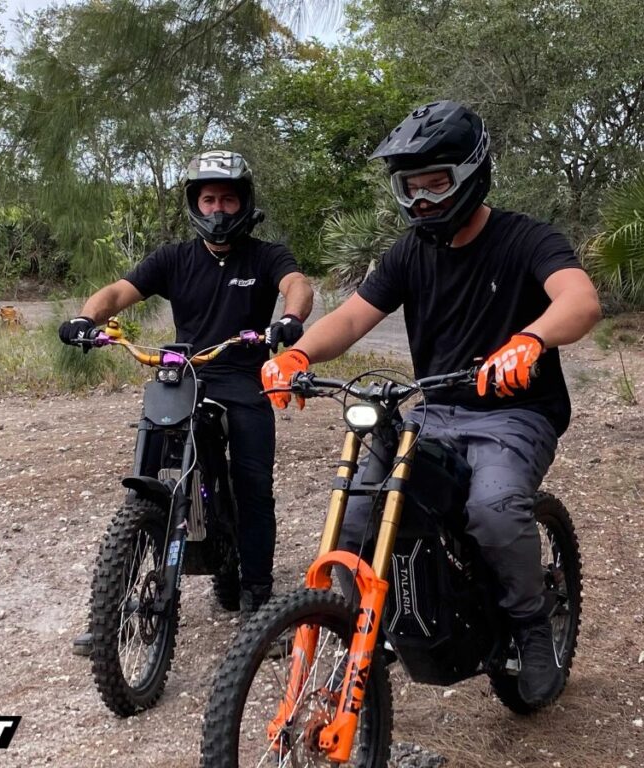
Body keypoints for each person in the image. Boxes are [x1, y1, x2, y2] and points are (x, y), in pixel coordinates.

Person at [260, 101, 601, 707]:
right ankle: (359, 630)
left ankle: (531, 625)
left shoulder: (527, 238)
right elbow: (353, 316)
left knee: (493, 511)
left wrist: (532, 338)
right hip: (433, 411)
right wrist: (298, 358)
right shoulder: (409, 251)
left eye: (434, 184)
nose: (420, 201)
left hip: (513, 415)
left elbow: (579, 300)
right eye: (409, 188)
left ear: (471, 172)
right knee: (358, 515)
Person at [61, 149, 313, 654]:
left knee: (252, 486)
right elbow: (117, 292)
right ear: (195, 203)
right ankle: (113, 609)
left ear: (243, 203)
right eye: (209, 199)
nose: (218, 209)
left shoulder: (266, 256)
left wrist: (290, 320)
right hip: (184, 376)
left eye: (227, 199)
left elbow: (296, 285)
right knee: (153, 474)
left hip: (244, 376)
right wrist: (85, 318)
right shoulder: (174, 258)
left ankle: (258, 602)